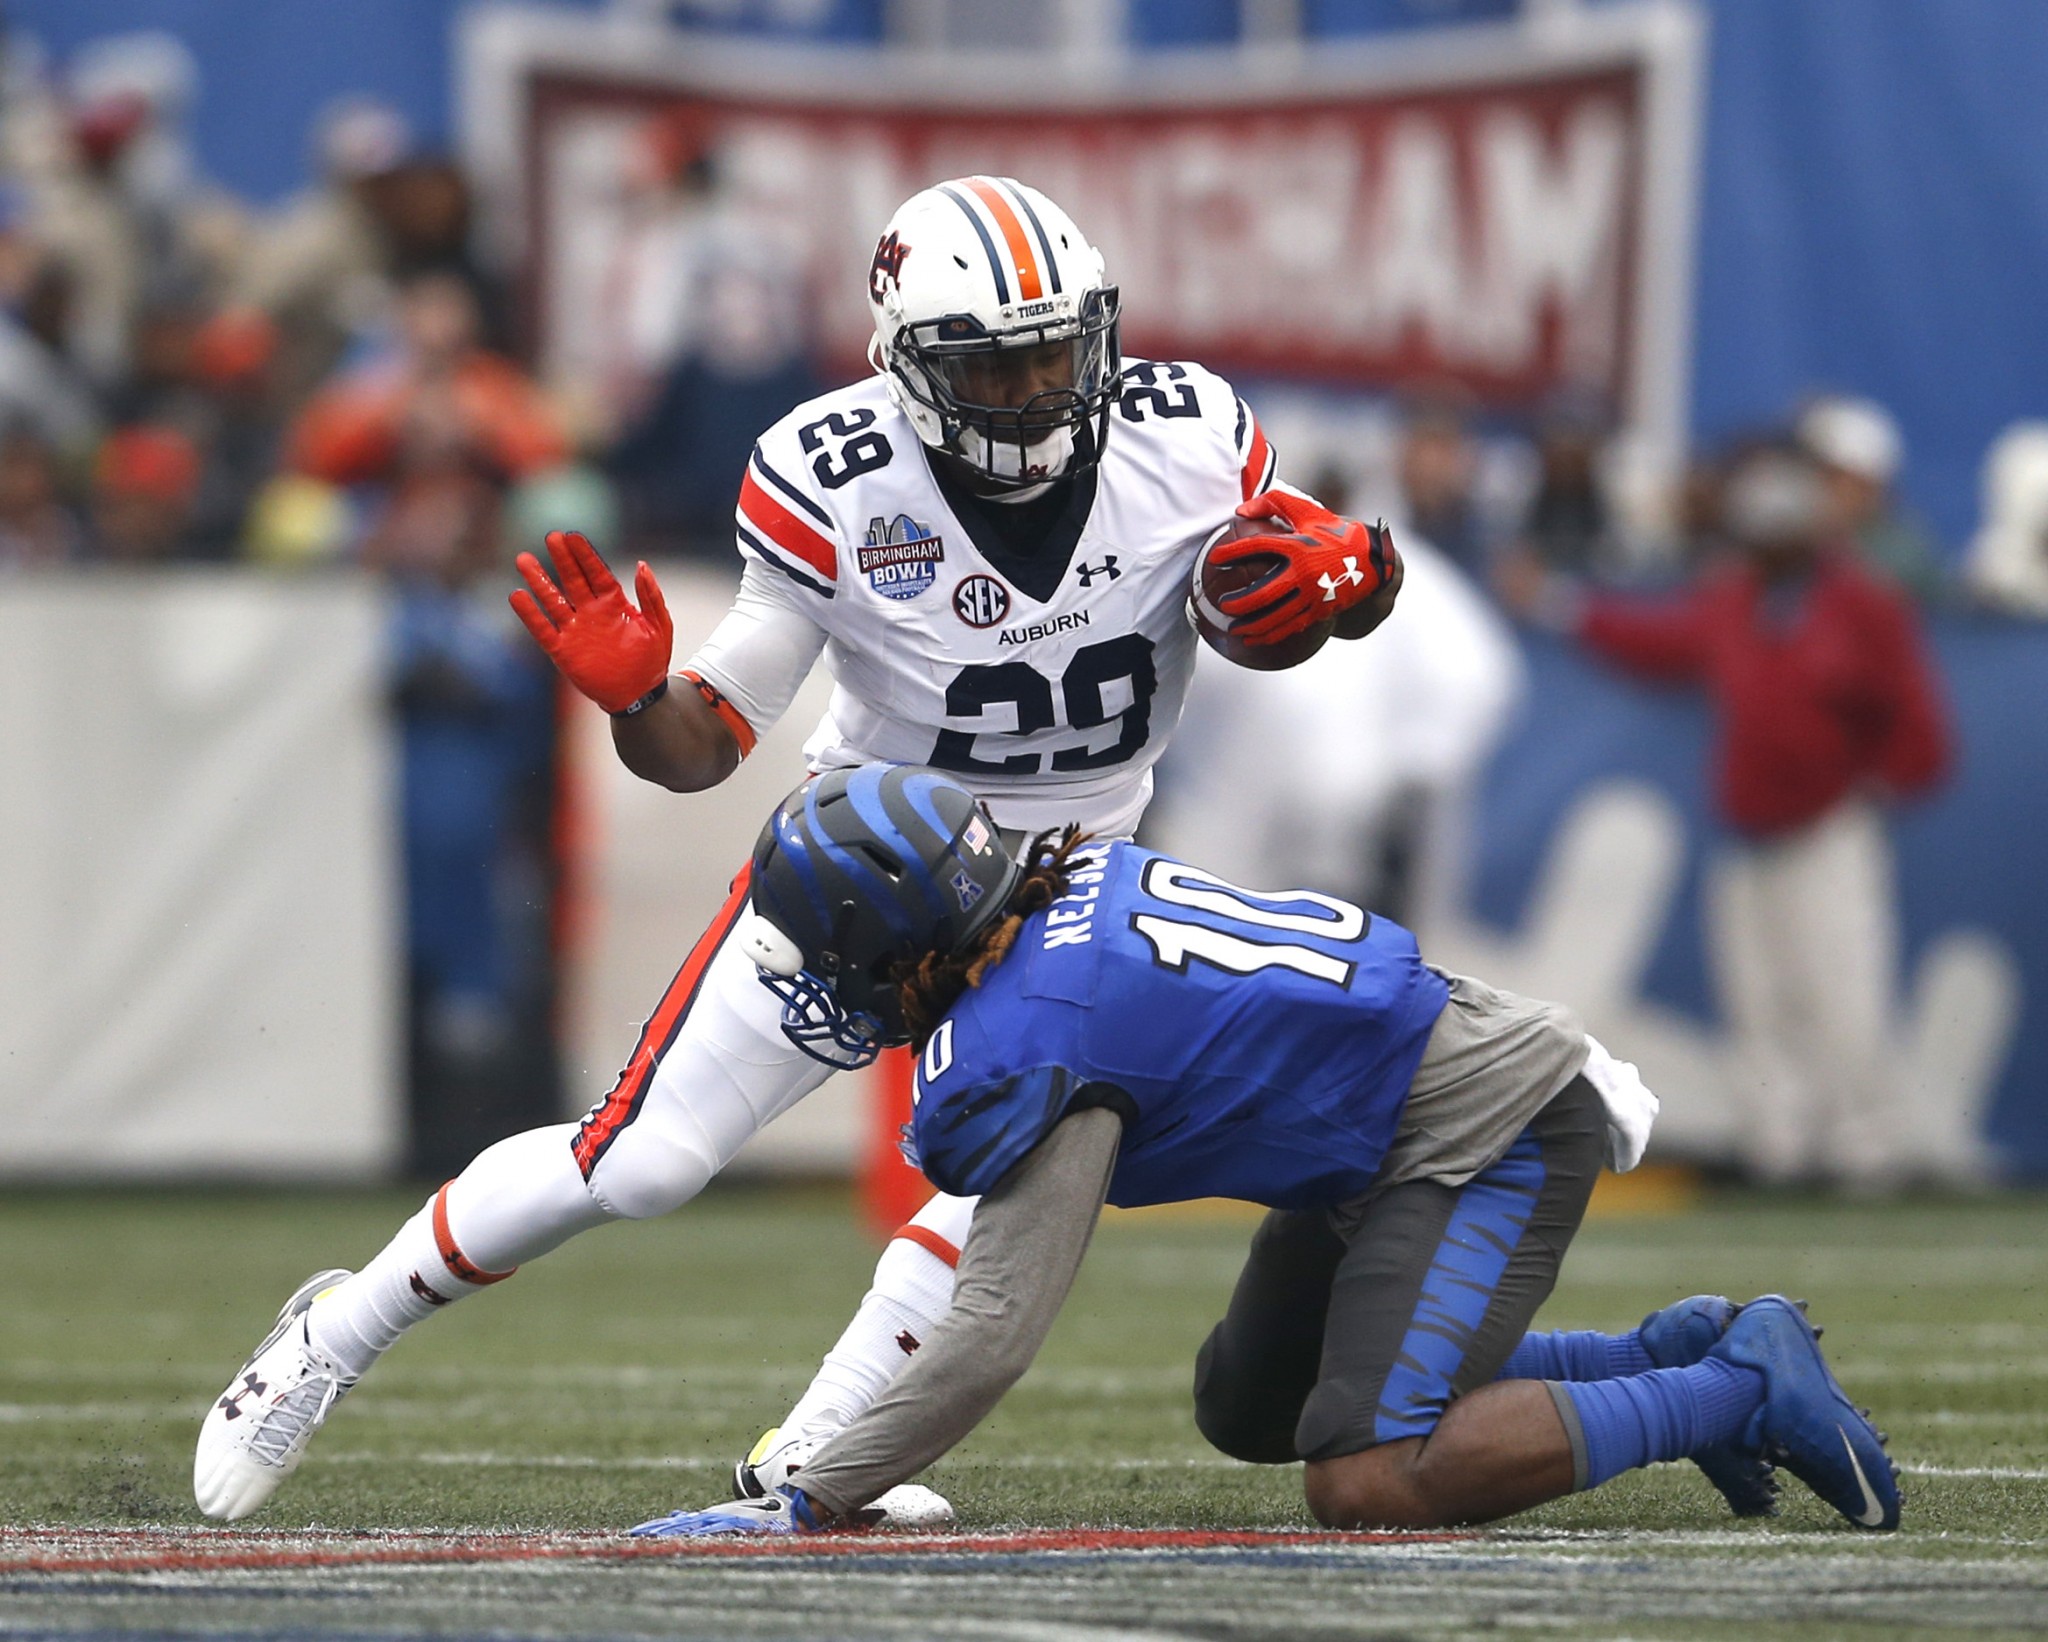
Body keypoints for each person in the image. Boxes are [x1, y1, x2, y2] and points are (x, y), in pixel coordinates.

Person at [193, 176, 1399, 1522]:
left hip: (1070, 888)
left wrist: (1360, 577)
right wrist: (638, 701)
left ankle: (810, 1462)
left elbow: (1292, 582)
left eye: (1055, 353)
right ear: (907, 368)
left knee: (1009, 1168)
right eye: (989, 368)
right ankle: (333, 1332)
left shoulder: (1186, 436)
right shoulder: (836, 477)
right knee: (641, 1162)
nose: (1033, 391)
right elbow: (703, 744)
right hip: (871, 877)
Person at [627, 764, 1900, 1538]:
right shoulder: (1058, 893)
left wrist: (811, 1494)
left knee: (1367, 1477)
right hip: (1380, 1124)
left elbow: (989, 1336)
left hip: (1479, 1125)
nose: (826, 981)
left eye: (832, 949)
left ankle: (1732, 1387)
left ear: (906, 937)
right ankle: (1670, 1350)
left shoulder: (1028, 1030)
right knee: (1255, 1406)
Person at [1500, 440, 1951, 1188]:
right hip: (1748, 829)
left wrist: (1876, 784)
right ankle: (1784, 1149)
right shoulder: (1737, 597)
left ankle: (1865, 1153)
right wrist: (1560, 603)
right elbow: (1657, 640)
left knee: (1843, 995)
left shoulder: (1862, 604)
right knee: (1760, 1000)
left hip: (1827, 828)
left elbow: (1914, 720)